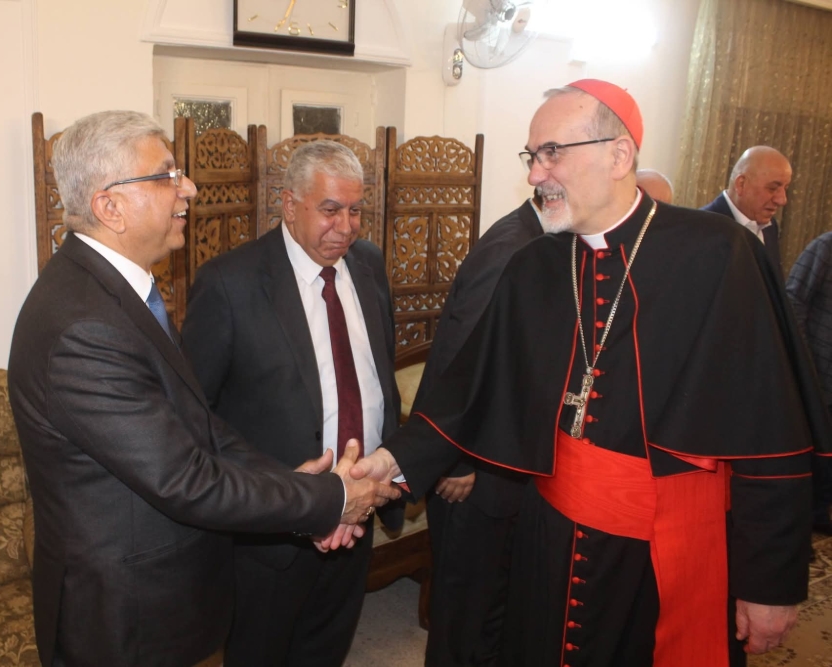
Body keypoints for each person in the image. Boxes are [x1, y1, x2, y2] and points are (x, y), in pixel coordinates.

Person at [353, 80, 831, 667]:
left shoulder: (719, 256)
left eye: (552, 153)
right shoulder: (534, 266)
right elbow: (468, 393)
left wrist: (770, 582)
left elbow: (770, 437)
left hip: (663, 550)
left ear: (618, 155)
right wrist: (391, 462)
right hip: (548, 537)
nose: (536, 175)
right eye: (532, 156)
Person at [7, 111, 398, 667]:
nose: (188, 187)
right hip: (125, 615)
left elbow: (200, 423)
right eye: (166, 175)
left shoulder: (117, 294)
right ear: (109, 206)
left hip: (157, 596)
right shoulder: (85, 327)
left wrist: (297, 485)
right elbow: (184, 478)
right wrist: (326, 499)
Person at [181, 140, 402, 667]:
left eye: (355, 210)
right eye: (330, 210)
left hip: (360, 509)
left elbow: (379, 377)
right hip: (273, 534)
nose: (345, 227)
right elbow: (193, 415)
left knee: (327, 649)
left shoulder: (368, 266)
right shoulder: (230, 283)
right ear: (288, 203)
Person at [418, 196, 541, 666]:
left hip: (501, 464)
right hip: (472, 473)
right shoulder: (511, 249)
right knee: (463, 615)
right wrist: (457, 459)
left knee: (492, 608)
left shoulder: (537, 239)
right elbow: (460, 360)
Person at [786, 232, 832, 535]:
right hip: (819, 368)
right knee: (817, 448)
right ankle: (809, 518)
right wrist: (805, 357)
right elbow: (794, 300)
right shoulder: (826, 247)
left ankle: (820, 512)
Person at [702, 146, 792, 275]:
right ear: (741, 184)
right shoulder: (703, 229)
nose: (782, 200)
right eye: (772, 188)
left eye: (785, 189)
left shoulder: (770, 227)